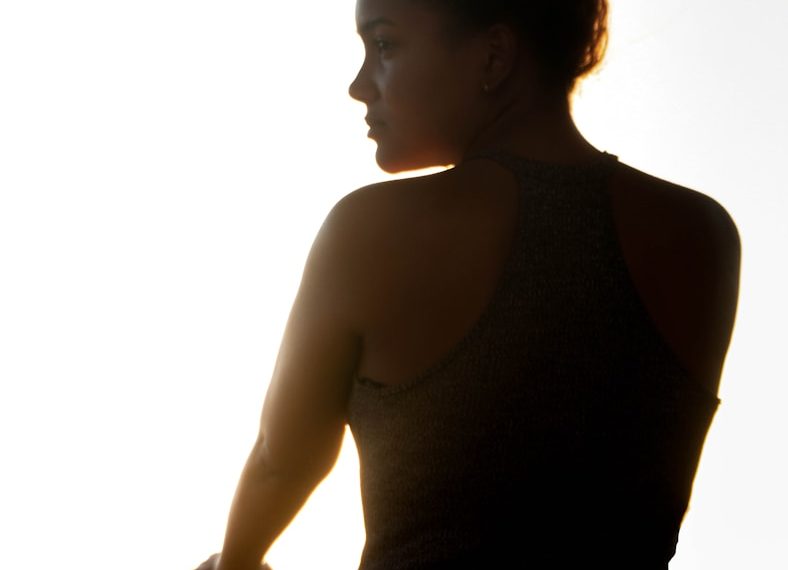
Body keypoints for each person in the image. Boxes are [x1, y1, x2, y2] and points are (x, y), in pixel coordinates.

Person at [195, 0, 741, 568]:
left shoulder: (374, 230)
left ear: (494, 55)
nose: (359, 86)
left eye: (384, 45)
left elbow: (281, 462)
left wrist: (235, 562)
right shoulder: (702, 235)